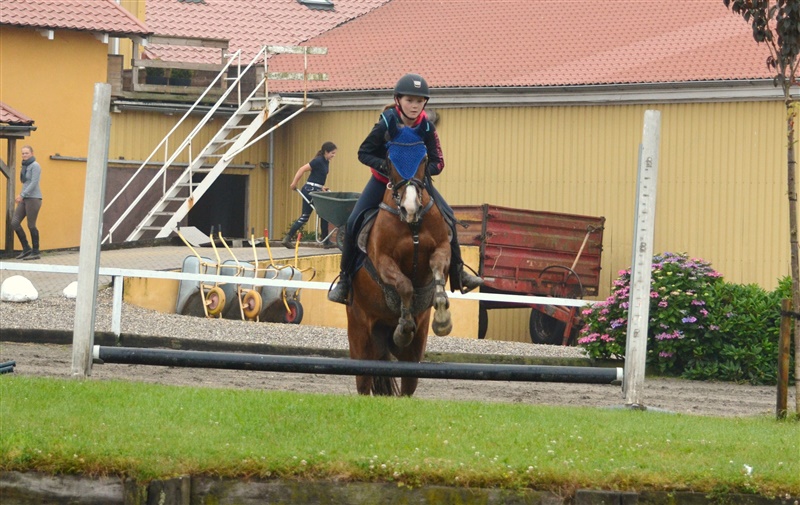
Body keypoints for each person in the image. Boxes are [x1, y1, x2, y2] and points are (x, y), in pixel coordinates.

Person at [327, 73, 483, 305]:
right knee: (353, 223)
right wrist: (389, 169)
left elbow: (439, 163)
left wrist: (418, 174)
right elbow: (363, 152)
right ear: (398, 100)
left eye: (419, 101)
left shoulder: (427, 127)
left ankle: (459, 273)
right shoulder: (386, 122)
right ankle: (345, 281)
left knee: (449, 217)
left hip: (418, 183)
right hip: (384, 181)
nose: (414, 105)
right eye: (410, 100)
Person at [282, 141, 338, 249]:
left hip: (316, 190)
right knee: (312, 215)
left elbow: (317, 176)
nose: (333, 155)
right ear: (326, 152)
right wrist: (294, 183)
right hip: (310, 190)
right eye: (332, 153)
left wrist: (321, 187)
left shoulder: (326, 162)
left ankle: (325, 241)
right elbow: (302, 169)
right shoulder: (318, 161)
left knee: (319, 215)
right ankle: (288, 238)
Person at [12, 145, 43, 260]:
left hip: (33, 198)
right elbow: (25, 183)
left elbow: (34, 182)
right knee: (14, 223)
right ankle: (26, 248)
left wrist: (22, 195)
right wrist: (21, 195)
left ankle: (36, 251)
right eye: (23, 153)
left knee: (31, 225)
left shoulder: (35, 165)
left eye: (26, 153)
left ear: (32, 153)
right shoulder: (25, 166)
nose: (24, 155)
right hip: (25, 198)